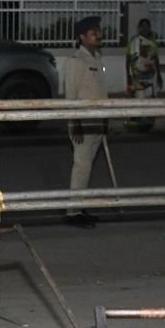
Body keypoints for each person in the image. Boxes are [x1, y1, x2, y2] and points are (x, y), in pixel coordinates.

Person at [64, 15, 108, 227]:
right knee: (81, 165)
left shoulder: (97, 58)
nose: (98, 34)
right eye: (93, 32)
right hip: (83, 122)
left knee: (87, 166)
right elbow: (71, 95)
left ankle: (80, 206)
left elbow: (100, 90)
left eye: (98, 31)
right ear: (82, 37)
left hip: (97, 121)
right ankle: (73, 212)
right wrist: (75, 123)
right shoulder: (76, 61)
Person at [125, 17, 160, 132]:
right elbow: (128, 59)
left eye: (146, 25)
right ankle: (138, 124)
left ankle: (148, 124)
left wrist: (159, 75)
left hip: (151, 76)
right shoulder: (134, 41)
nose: (144, 28)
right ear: (138, 28)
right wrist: (129, 77)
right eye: (142, 25)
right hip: (137, 76)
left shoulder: (153, 41)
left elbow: (155, 58)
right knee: (138, 100)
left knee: (150, 100)